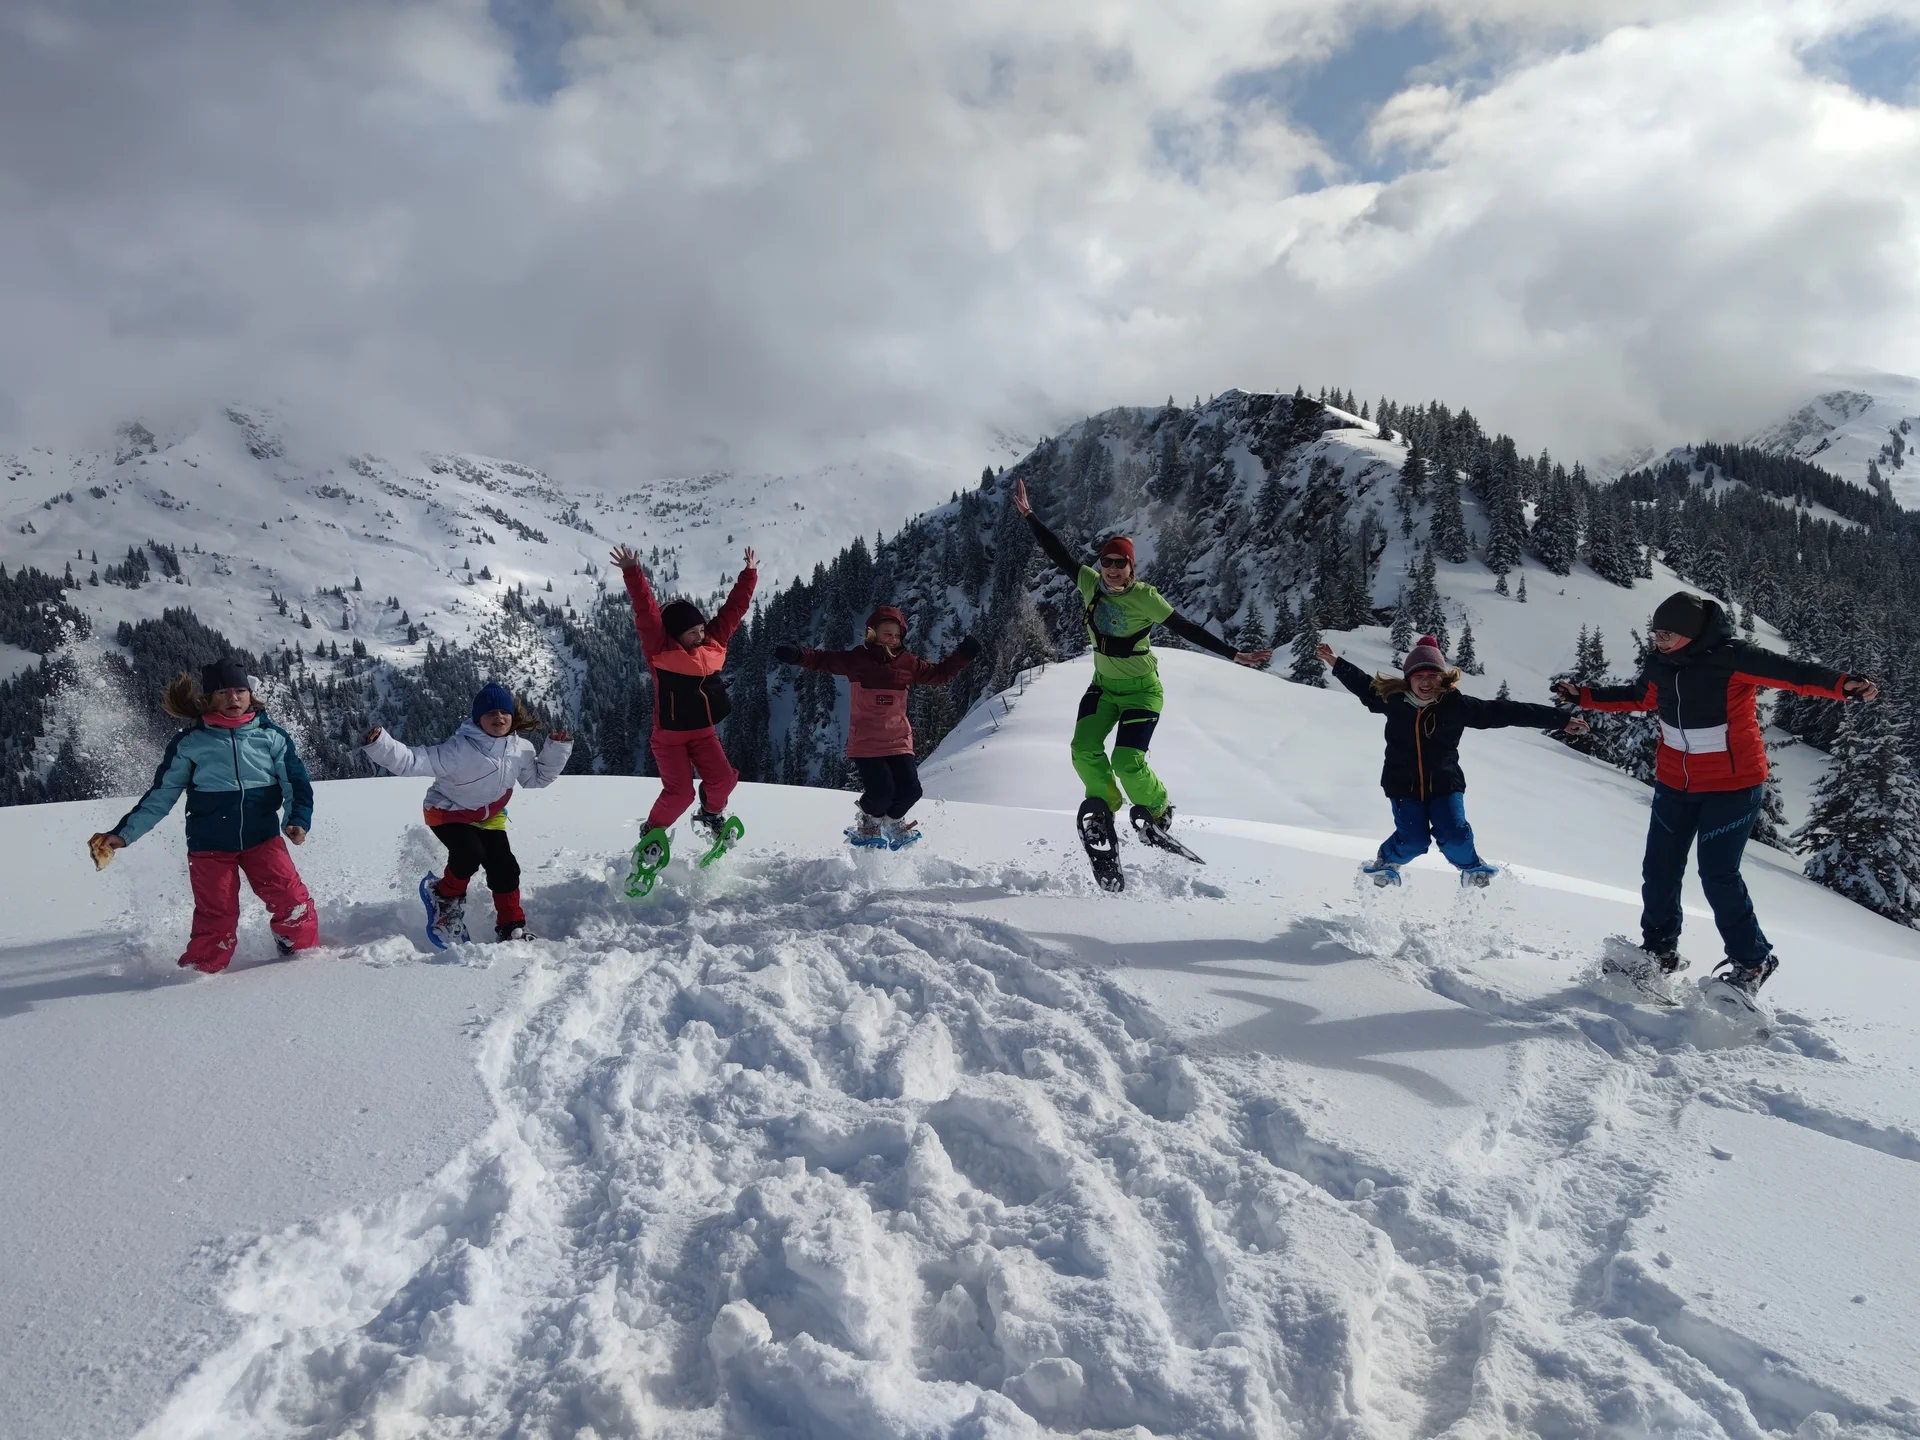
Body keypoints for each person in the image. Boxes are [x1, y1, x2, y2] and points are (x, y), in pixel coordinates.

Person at [1557, 590, 1876, 996]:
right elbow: (1639, 698)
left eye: (1667, 634)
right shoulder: (1660, 664)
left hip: (1733, 786)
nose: (1659, 640)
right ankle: (1659, 952)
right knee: (1659, 869)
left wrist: (1843, 685)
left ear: (1691, 633)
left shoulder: (1733, 657)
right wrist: (1583, 696)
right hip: (1675, 784)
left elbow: (1793, 673)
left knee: (1717, 874)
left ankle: (1753, 962)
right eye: (1656, 633)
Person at [1011, 475, 1271, 847]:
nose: (1112, 568)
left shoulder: (1145, 597)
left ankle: (1158, 808)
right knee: (1082, 750)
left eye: (1120, 563)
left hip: (1142, 693)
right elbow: (1058, 553)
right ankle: (1103, 807)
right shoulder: (1089, 584)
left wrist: (1233, 653)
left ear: (1131, 567)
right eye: (1107, 561)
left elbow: (1185, 627)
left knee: (1126, 761)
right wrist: (1030, 516)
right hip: (1102, 689)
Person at [87, 658, 318, 973]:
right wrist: (123, 834)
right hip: (210, 846)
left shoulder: (272, 737)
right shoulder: (190, 743)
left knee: (293, 902)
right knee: (216, 917)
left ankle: (304, 962)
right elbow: (162, 795)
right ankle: (198, 978)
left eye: (239, 690)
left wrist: (297, 820)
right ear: (209, 699)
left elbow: (296, 784)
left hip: (262, 839)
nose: (233, 698)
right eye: (222, 692)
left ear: (250, 694)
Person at [1319, 635, 1586, 888]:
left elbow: (1507, 712)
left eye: (1433, 675)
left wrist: (1560, 719)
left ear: (1443, 678)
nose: (1426, 682)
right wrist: (1336, 663)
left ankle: (1472, 867)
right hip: (1403, 784)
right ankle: (1387, 862)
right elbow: (1363, 684)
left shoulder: (1456, 706)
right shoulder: (1392, 701)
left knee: (1455, 835)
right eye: (1419, 676)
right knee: (1413, 841)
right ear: (1409, 679)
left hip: (1445, 783)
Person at [363, 684, 572, 944]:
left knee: (505, 866)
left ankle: (511, 926)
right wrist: (381, 744)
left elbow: (535, 780)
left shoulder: (521, 749)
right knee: (470, 854)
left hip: (490, 815)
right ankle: (443, 895)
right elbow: (413, 761)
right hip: (448, 810)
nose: (499, 717)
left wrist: (556, 749)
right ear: (478, 719)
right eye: (491, 713)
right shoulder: (459, 750)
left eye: (504, 712)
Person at [773, 605, 981, 847]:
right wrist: (797, 655)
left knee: (911, 792)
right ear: (872, 633)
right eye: (887, 634)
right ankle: (869, 820)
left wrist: (963, 655)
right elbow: (821, 659)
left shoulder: (908, 663)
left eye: (897, 635)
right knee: (882, 793)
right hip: (866, 742)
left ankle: (893, 822)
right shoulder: (857, 660)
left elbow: (939, 674)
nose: (892, 639)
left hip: (898, 740)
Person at [614, 544, 757, 874]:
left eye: (701, 629)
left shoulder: (712, 642)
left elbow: (734, 610)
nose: (700, 636)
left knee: (723, 780)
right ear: (676, 635)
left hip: (704, 733)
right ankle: (652, 833)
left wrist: (749, 575)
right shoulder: (660, 650)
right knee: (679, 794)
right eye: (692, 633)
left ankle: (711, 815)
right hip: (669, 738)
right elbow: (647, 612)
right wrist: (633, 572)